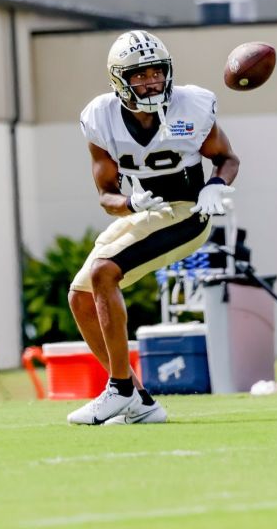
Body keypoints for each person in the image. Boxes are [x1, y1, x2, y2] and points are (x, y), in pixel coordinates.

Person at [67, 30, 240, 425]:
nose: (150, 82)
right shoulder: (101, 118)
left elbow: (227, 158)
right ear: (119, 80)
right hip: (146, 212)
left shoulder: (191, 106)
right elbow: (106, 195)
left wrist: (216, 185)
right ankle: (142, 403)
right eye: (139, 75)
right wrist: (130, 203)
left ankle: (119, 389)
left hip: (189, 213)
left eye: (156, 73)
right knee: (80, 296)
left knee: (103, 273)